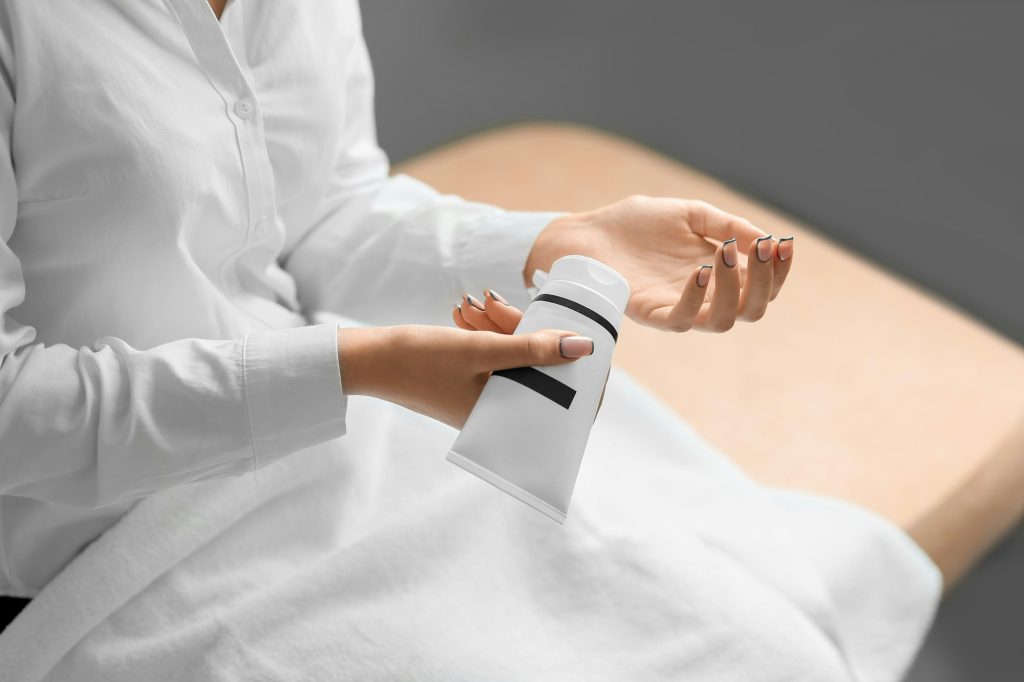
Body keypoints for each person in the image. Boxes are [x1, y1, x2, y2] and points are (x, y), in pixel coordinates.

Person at [0, 1, 946, 680]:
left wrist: (554, 244)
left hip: (332, 446)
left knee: (755, 652)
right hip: (93, 551)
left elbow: (325, 211)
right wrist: (360, 369)